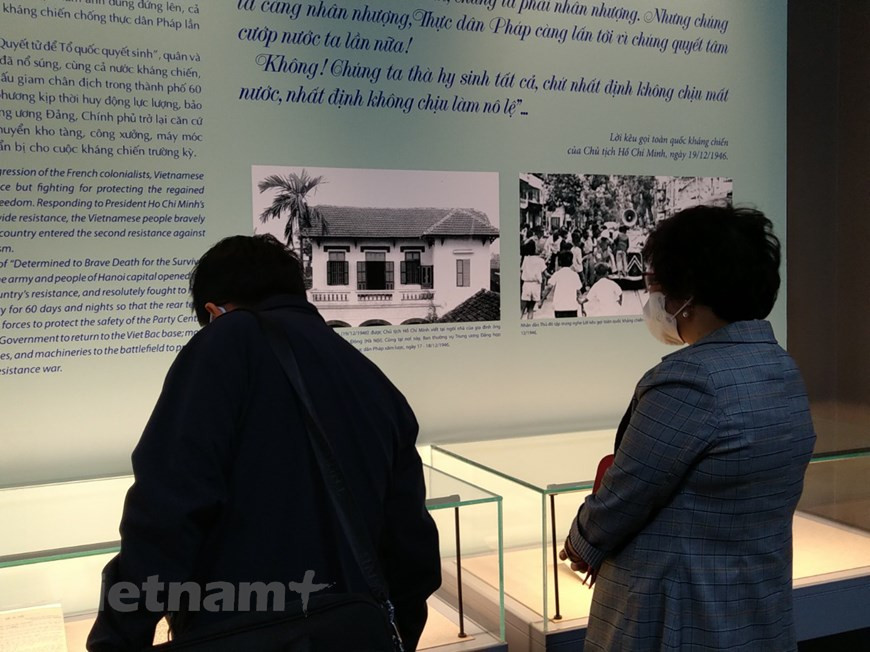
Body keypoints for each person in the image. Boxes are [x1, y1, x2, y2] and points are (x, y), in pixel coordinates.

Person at [88, 235, 441, 651]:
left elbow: (167, 511)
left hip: (239, 630)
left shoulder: (226, 341)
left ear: (213, 311)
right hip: (352, 633)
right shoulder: (373, 382)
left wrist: (118, 637)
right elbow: (412, 553)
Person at [561, 206, 816, 650]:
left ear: (688, 294)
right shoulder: (781, 367)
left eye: (657, 284)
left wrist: (580, 542)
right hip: (755, 611)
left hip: (679, 618)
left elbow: (626, 494)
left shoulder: (688, 380)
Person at [544, 250, 583, 318]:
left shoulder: (557, 274)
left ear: (559, 262)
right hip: (572, 307)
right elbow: (579, 292)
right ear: (571, 262)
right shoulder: (575, 275)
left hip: (559, 307)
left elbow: (549, 287)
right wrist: (583, 308)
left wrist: (541, 301)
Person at [520, 239, 547, 319]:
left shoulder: (525, 259)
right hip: (536, 285)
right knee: (531, 309)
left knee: (522, 309)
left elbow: (522, 271)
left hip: (526, 284)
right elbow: (546, 274)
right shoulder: (540, 261)